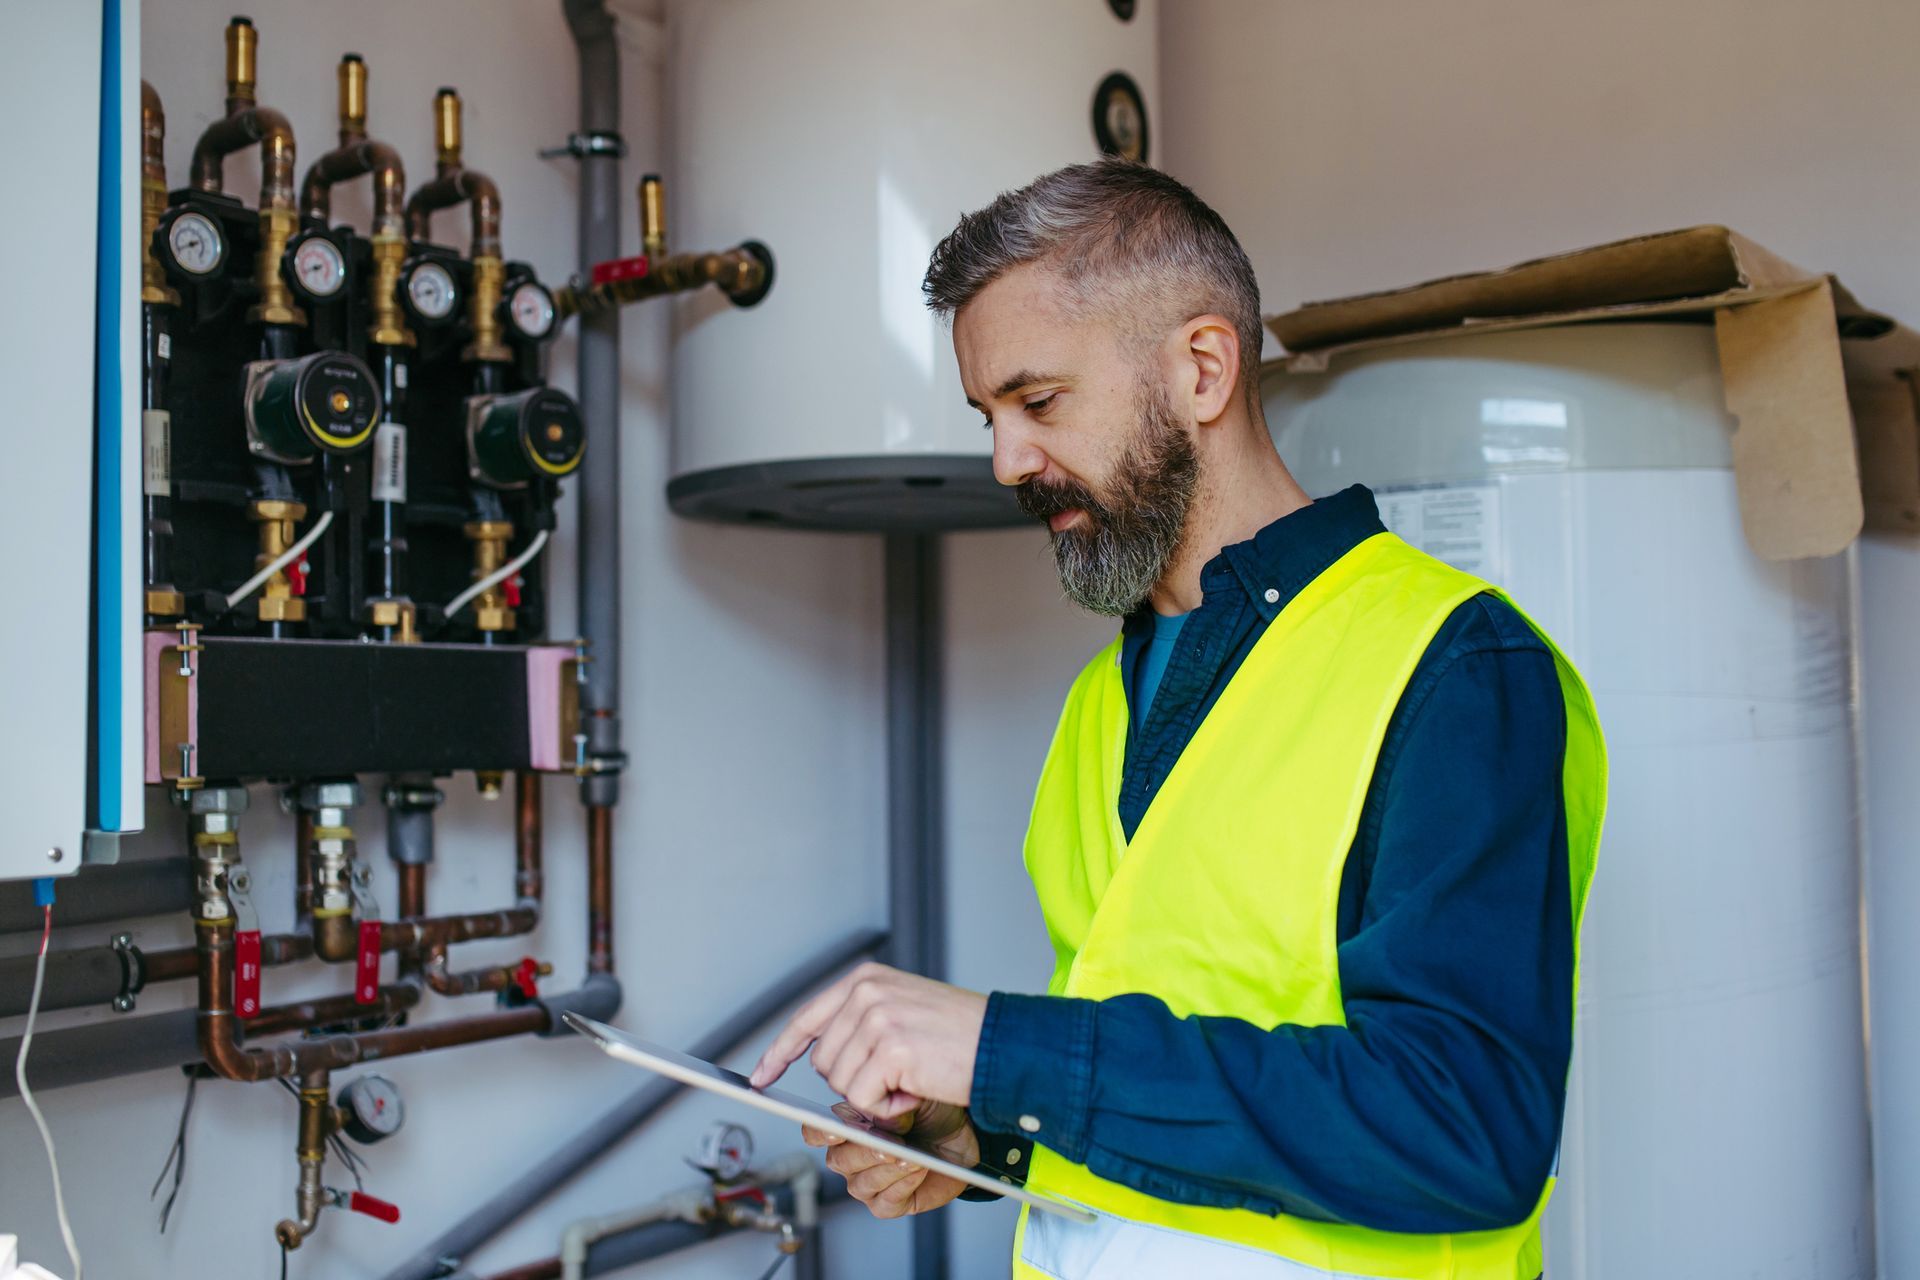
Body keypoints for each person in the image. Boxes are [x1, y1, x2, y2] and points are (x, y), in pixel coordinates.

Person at [749, 160, 1606, 1280]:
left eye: (1039, 401)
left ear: (1203, 366)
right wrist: (979, 1130)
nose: (1007, 460)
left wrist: (1005, 1049)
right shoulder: (1099, 702)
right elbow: (1155, 1033)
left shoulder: (1451, 663)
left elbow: (1467, 1127)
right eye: (990, 416)